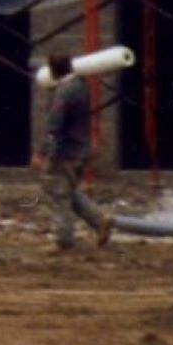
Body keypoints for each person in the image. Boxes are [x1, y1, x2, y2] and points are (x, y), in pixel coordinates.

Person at [37, 62, 116, 250]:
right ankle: (99, 220)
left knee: (58, 192)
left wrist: (42, 152)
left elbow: (54, 126)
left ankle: (64, 239)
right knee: (68, 191)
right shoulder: (81, 87)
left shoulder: (63, 93)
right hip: (81, 151)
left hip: (65, 152)